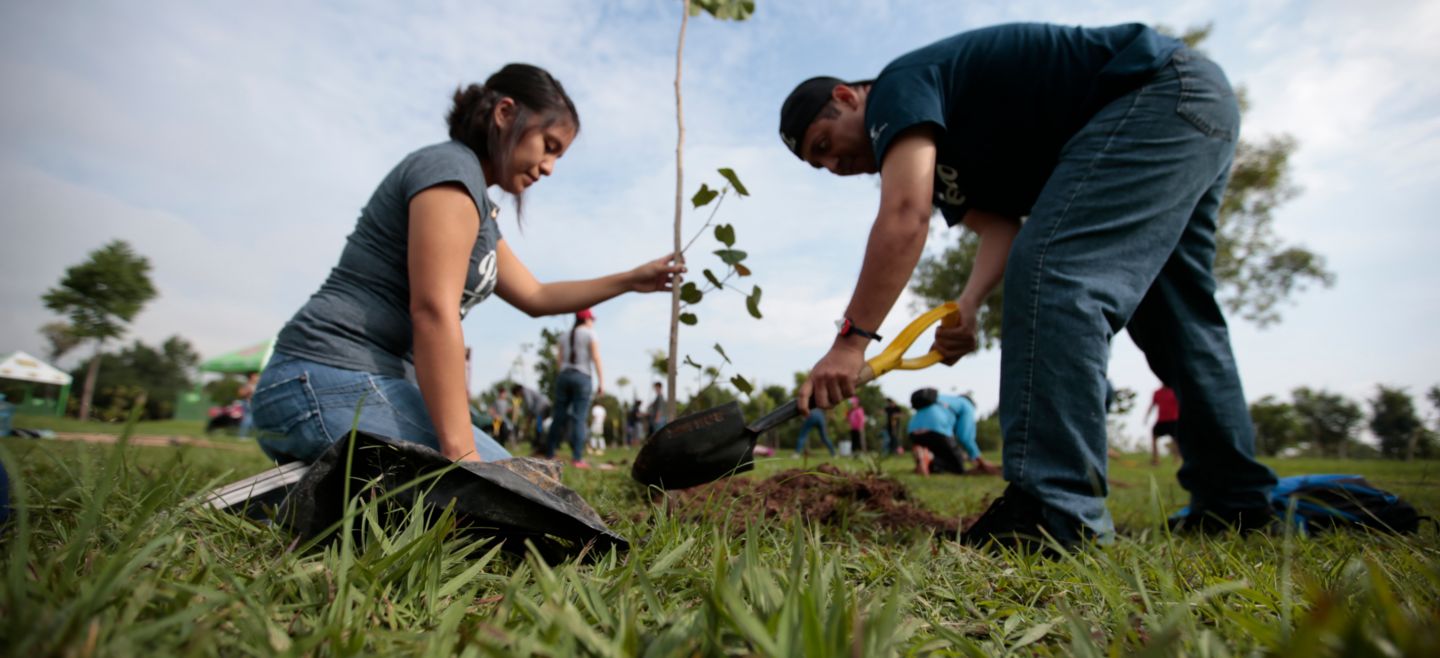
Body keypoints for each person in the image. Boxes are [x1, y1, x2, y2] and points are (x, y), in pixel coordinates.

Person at [780, 23, 1277, 550]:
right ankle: (1234, 503)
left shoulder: (897, 86)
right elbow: (1000, 229)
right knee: (1176, 319)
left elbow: (906, 214)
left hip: (1155, 92)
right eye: (820, 165)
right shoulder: (945, 157)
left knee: (1056, 271)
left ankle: (1055, 512)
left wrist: (850, 343)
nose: (835, 165)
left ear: (847, 97)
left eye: (825, 144)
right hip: (1193, 107)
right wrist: (968, 304)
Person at [251, 64, 682, 465]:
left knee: (523, 487)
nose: (550, 168)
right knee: (507, 496)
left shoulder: (478, 207)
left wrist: (631, 280)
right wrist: (462, 458)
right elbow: (433, 311)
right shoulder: (450, 171)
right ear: (505, 113)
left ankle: (304, 491)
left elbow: (536, 295)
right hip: (321, 375)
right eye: (548, 146)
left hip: (364, 384)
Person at [548, 309, 604, 467]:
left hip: (564, 376)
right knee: (579, 418)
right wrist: (601, 381)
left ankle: (550, 453)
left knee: (558, 416)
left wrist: (562, 375)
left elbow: (559, 360)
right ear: (586, 320)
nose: (592, 323)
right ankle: (577, 458)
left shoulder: (564, 336)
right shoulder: (590, 334)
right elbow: (596, 357)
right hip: (582, 376)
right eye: (591, 319)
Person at [906, 388, 998, 476]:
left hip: (913, 431)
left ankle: (924, 458)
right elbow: (965, 436)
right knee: (957, 467)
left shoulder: (943, 399)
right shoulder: (967, 405)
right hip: (936, 429)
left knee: (944, 457)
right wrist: (980, 461)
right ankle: (929, 457)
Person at [510, 383, 552, 455]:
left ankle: (541, 446)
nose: (519, 397)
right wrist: (530, 418)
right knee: (539, 426)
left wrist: (529, 418)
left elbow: (530, 405)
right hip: (546, 405)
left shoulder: (525, 391)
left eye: (517, 395)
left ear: (518, 391)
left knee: (538, 427)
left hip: (542, 407)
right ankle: (542, 445)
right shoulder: (528, 390)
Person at [1145, 384, 1181, 466]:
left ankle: (1177, 460)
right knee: (1154, 437)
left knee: (1176, 440)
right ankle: (1156, 460)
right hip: (1161, 421)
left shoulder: (1175, 391)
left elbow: (1180, 404)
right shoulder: (1157, 392)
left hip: (1173, 420)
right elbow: (1152, 405)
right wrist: (1147, 416)